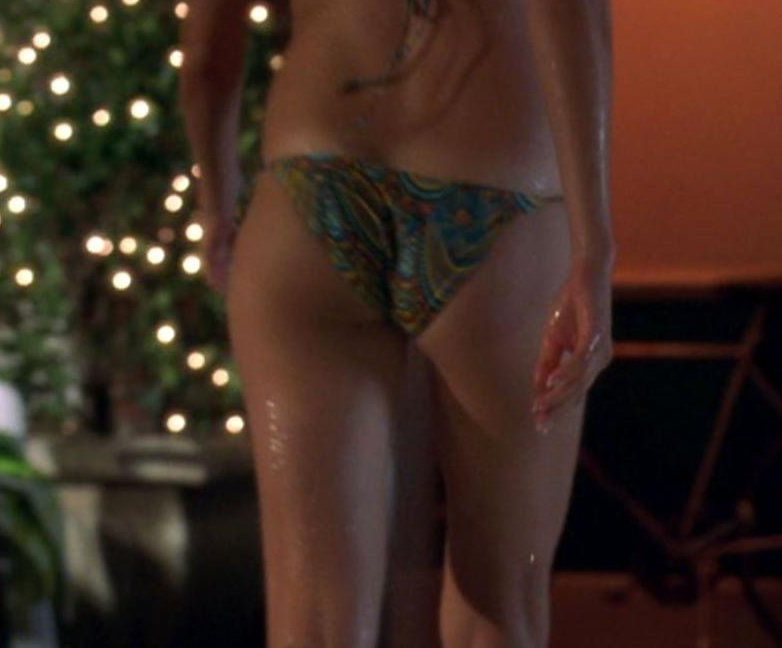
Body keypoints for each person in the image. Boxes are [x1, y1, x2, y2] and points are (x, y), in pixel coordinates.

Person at [179, 0, 614, 646]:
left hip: (311, 187)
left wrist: (217, 201)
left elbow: (205, 58)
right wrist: (593, 247)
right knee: (501, 600)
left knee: (313, 617)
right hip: (498, 190)